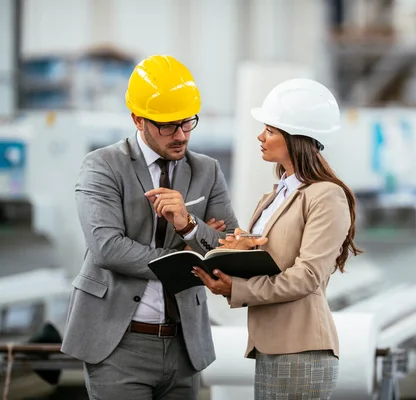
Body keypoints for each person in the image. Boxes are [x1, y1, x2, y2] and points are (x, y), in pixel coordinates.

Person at [61, 54, 238, 399]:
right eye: (168, 126)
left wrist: (189, 226)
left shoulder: (207, 170)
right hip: (118, 343)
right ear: (137, 120)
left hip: (185, 344)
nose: (181, 135)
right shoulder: (103, 166)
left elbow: (229, 245)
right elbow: (108, 248)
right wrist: (186, 258)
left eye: (187, 123)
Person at [193, 78, 362, 399]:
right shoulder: (277, 195)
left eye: (270, 130)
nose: (260, 136)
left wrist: (237, 288)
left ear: (295, 138)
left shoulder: (326, 196)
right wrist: (213, 239)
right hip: (272, 345)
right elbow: (267, 260)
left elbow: (307, 277)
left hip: (301, 349)